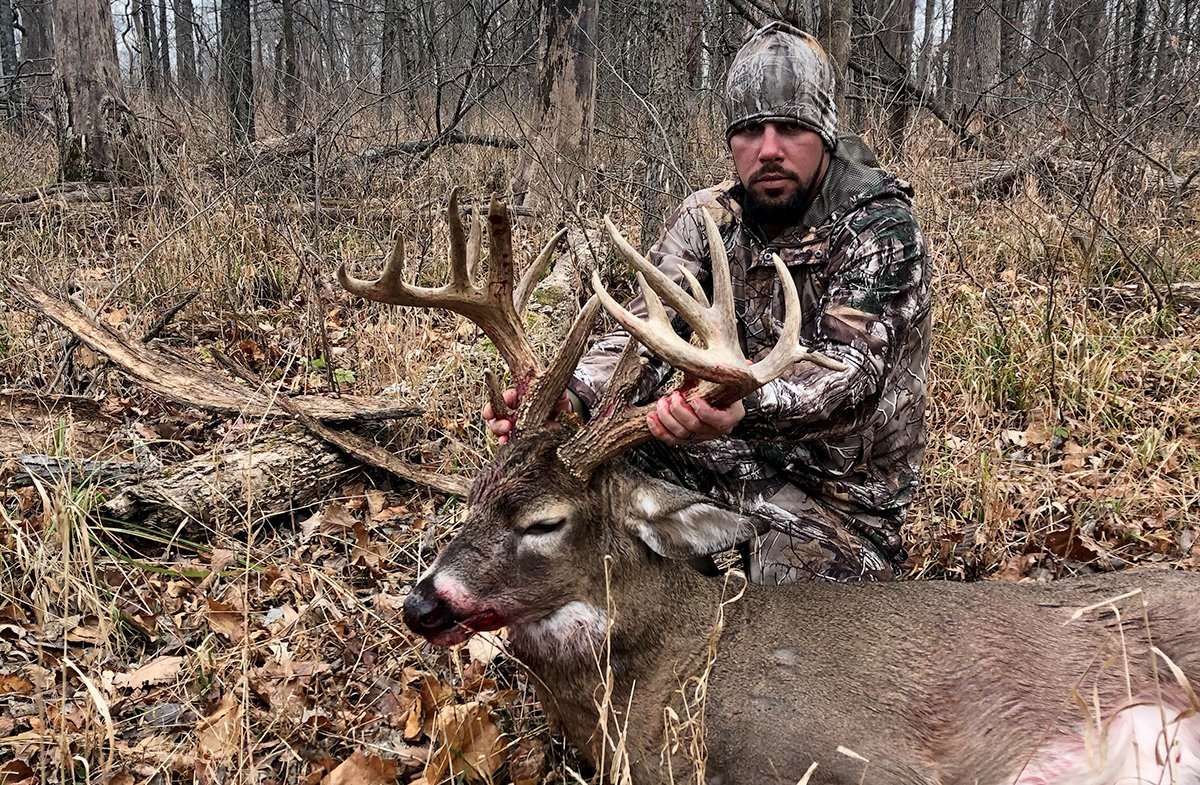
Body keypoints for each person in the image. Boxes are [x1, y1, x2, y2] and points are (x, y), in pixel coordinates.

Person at [485, 22, 931, 584]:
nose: (769, 149)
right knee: (580, 475)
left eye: (791, 127)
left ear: (825, 135)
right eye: (749, 131)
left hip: (840, 498)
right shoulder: (706, 220)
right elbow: (638, 335)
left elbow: (849, 380)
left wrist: (744, 404)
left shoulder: (879, 227)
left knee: (790, 620)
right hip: (725, 457)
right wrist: (570, 398)